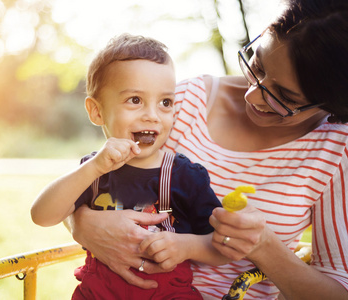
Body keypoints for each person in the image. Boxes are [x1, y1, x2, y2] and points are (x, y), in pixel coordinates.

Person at [65, 0, 348, 299]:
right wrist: (82, 224)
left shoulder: (337, 150)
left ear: (330, 105)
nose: (252, 95)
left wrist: (262, 245)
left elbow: (337, 290)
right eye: (258, 65)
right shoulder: (181, 104)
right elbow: (92, 184)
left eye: (284, 97)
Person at [31, 33, 230, 299]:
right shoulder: (92, 172)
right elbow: (41, 216)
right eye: (135, 100)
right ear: (97, 112)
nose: (152, 115)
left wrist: (186, 246)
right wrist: (92, 168)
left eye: (165, 103)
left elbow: (221, 246)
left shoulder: (184, 175)